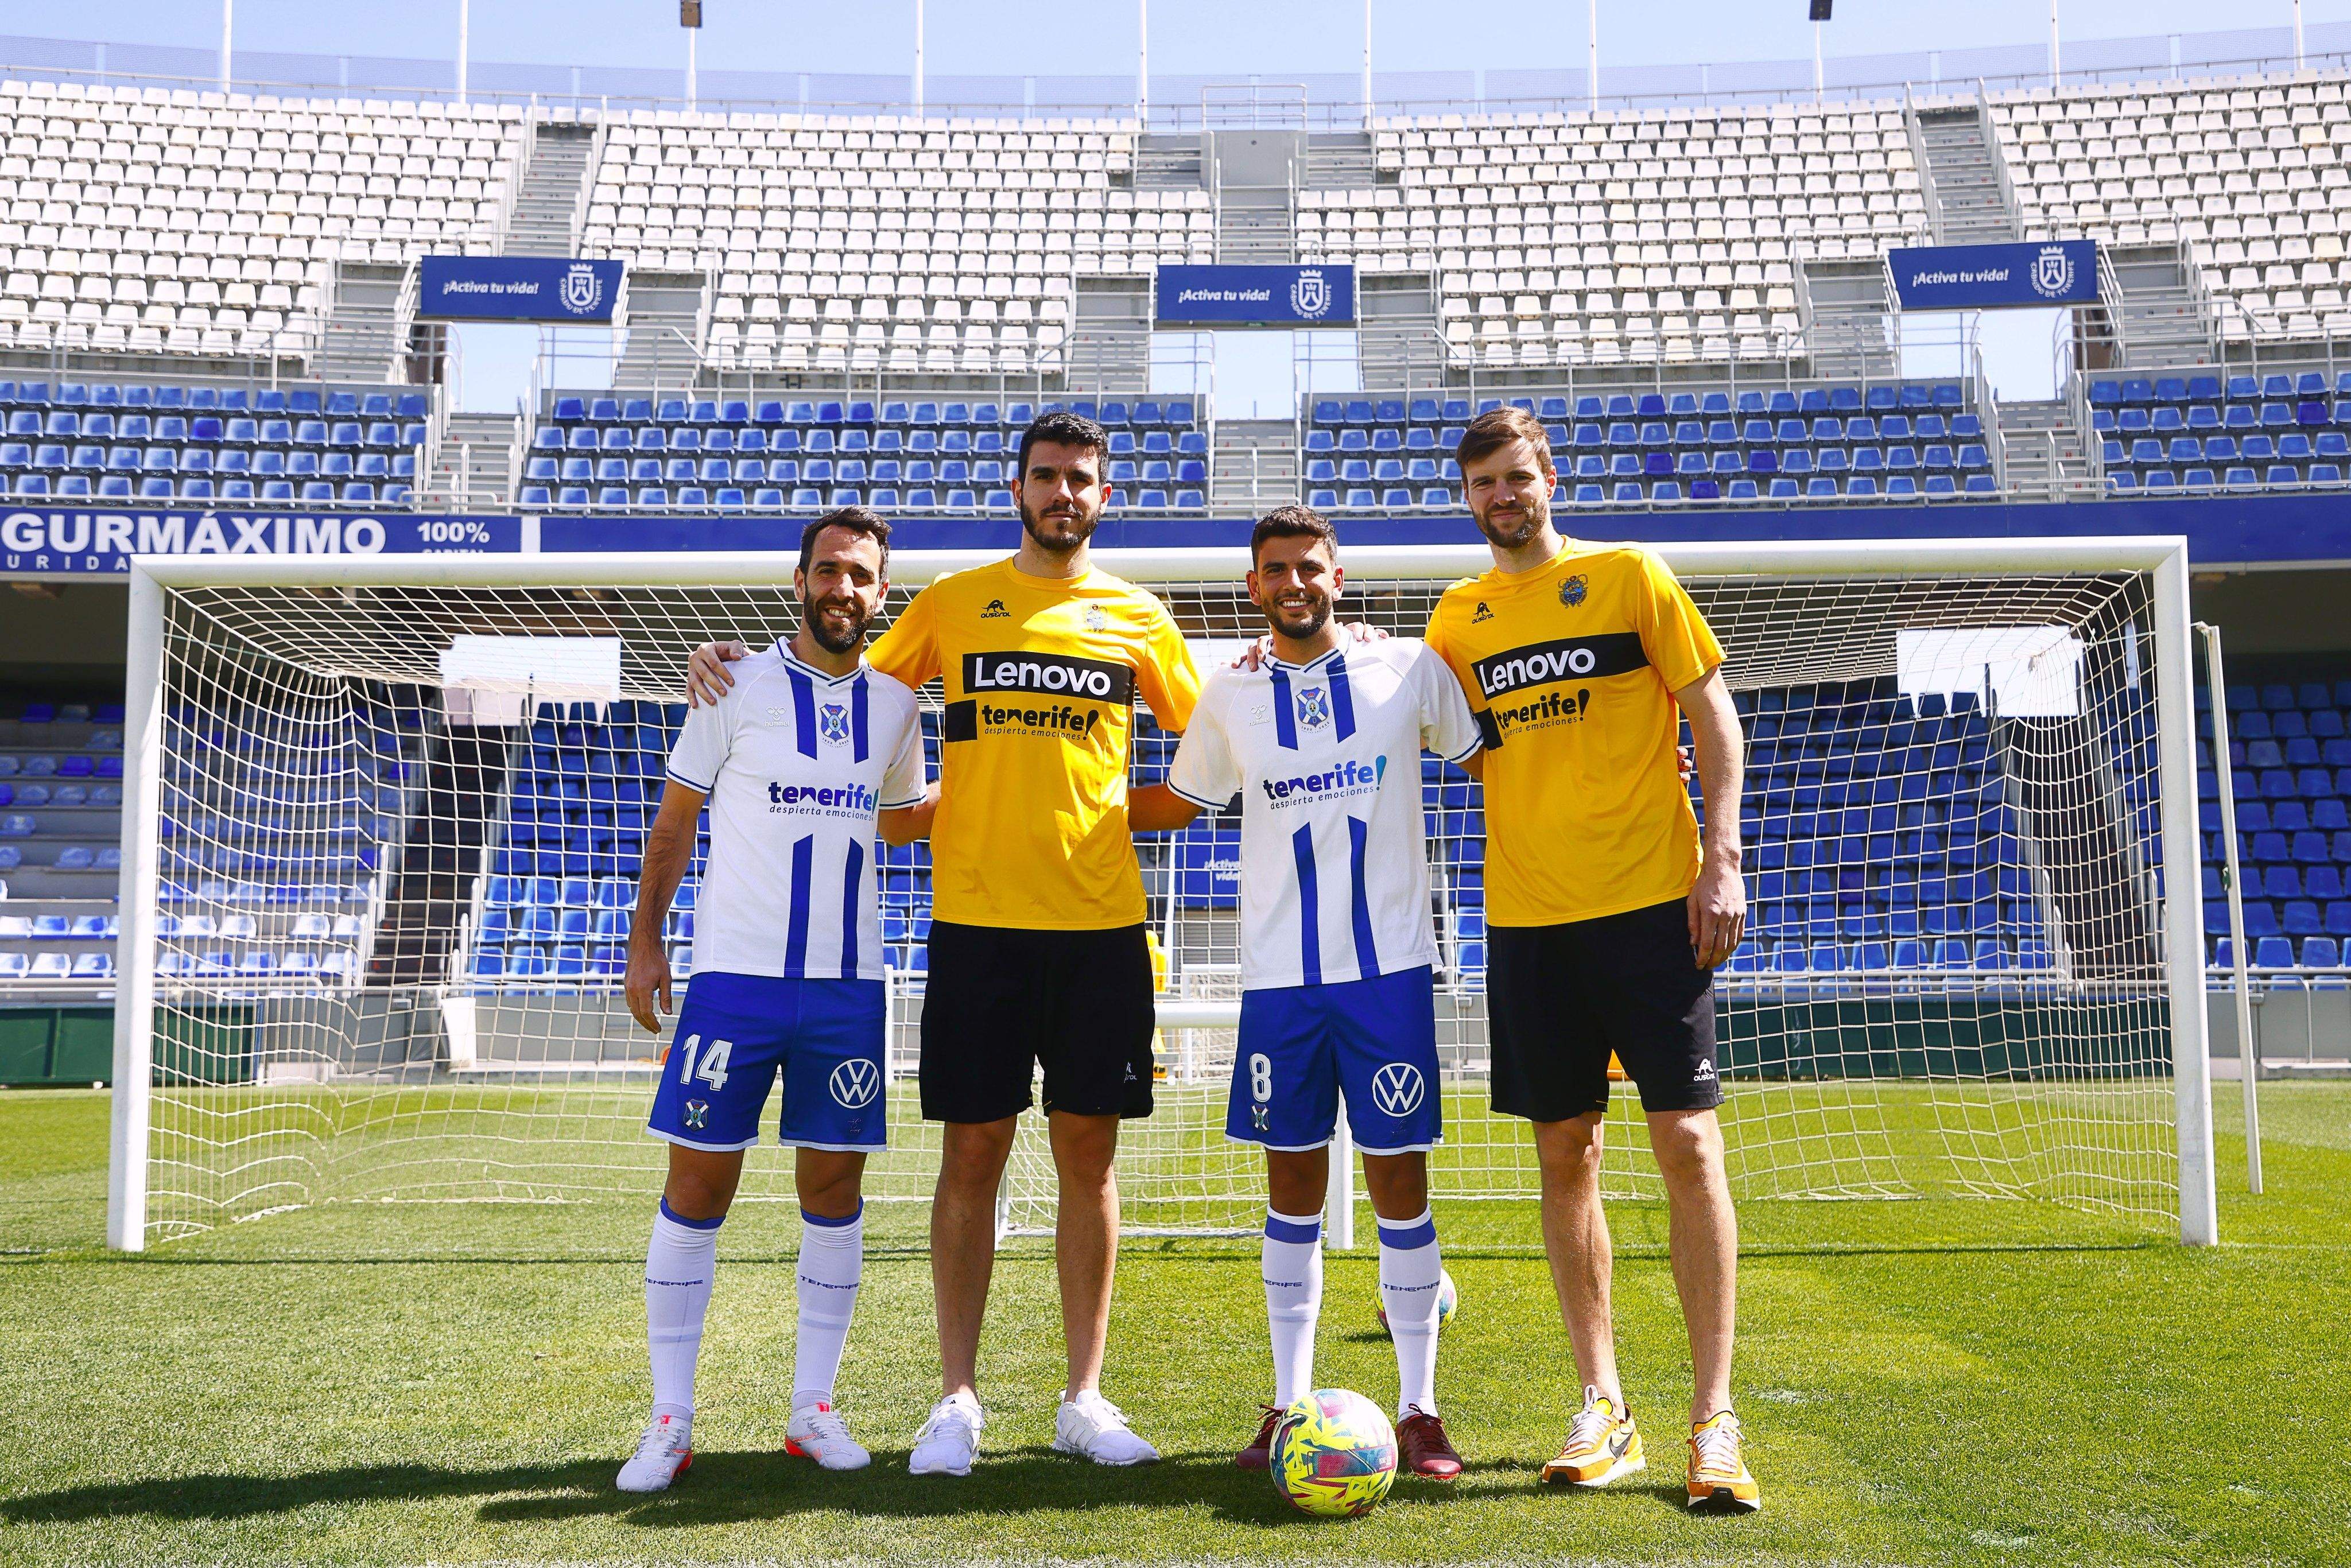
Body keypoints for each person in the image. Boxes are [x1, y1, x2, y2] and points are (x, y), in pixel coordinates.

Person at [684, 412, 1198, 1474]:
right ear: (1017, 490)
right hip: (974, 929)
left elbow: (1217, 744)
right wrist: (725, 662)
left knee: (1087, 1159)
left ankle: (1083, 1399)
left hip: (1102, 927)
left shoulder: (1140, 618)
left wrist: (1116, 814)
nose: (1064, 493)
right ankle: (955, 1398)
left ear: (1106, 497)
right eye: (1047, 477)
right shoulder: (953, 606)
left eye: (1082, 480)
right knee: (973, 1153)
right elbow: (839, 667)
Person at [1422, 406, 1760, 1512]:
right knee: (1565, 1153)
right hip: (1527, 922)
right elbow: (1413, 714)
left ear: (1548, 476)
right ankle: (1604, 1404)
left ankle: (1714, 1418)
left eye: (1517, 478)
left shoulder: (1629, 577)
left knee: (1691, 1146)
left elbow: (1715, 718)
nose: (1502, 499)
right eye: (1483, 486)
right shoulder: (1458, 619)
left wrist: (1722, 859)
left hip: (1656, 908)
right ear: (1466, 499)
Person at [1128, 505, 1481, 1481]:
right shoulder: (1229, 693)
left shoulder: (1405, 668)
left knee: (1398, 1189)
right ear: (1254, 586)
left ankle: (1420, 1413)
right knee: (1289, 1188)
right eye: (1276, 570)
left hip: (1390, 976)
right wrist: (1033, 804)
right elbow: (1177, 801)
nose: (1295, 583)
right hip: (1280, 984)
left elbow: (1495, 758)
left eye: (1311, 568)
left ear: (1339, 576)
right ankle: (1288, 1407)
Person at [615, 508, 930, 1492]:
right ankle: (670, 1419)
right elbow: (674, 825)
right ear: (800, 582)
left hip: (848, 989)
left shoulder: (897, 707)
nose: (844, 589)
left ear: (884, 596)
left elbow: (901, 825)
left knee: (833, 1195)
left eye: (862, 577)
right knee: (698, 1188)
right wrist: (644, 942)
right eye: (828, 571)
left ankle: (811, 1411)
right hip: (735, 985)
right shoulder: (730, 684)